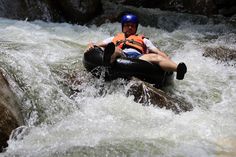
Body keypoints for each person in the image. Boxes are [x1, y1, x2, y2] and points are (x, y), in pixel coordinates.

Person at [86, 13, 187, 80]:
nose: (130, 27)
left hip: (139, 57)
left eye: (133, 26)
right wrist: (91, 45)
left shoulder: (144, 39)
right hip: (122, 53)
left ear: (136, 28)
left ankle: (178, 69)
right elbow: (96, 45)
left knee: (155, 57)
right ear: (123, 26)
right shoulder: (114, 38)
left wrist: (166, 57)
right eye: (127, 25)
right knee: (115, 49)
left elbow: (156, 51)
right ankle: (108, 60)